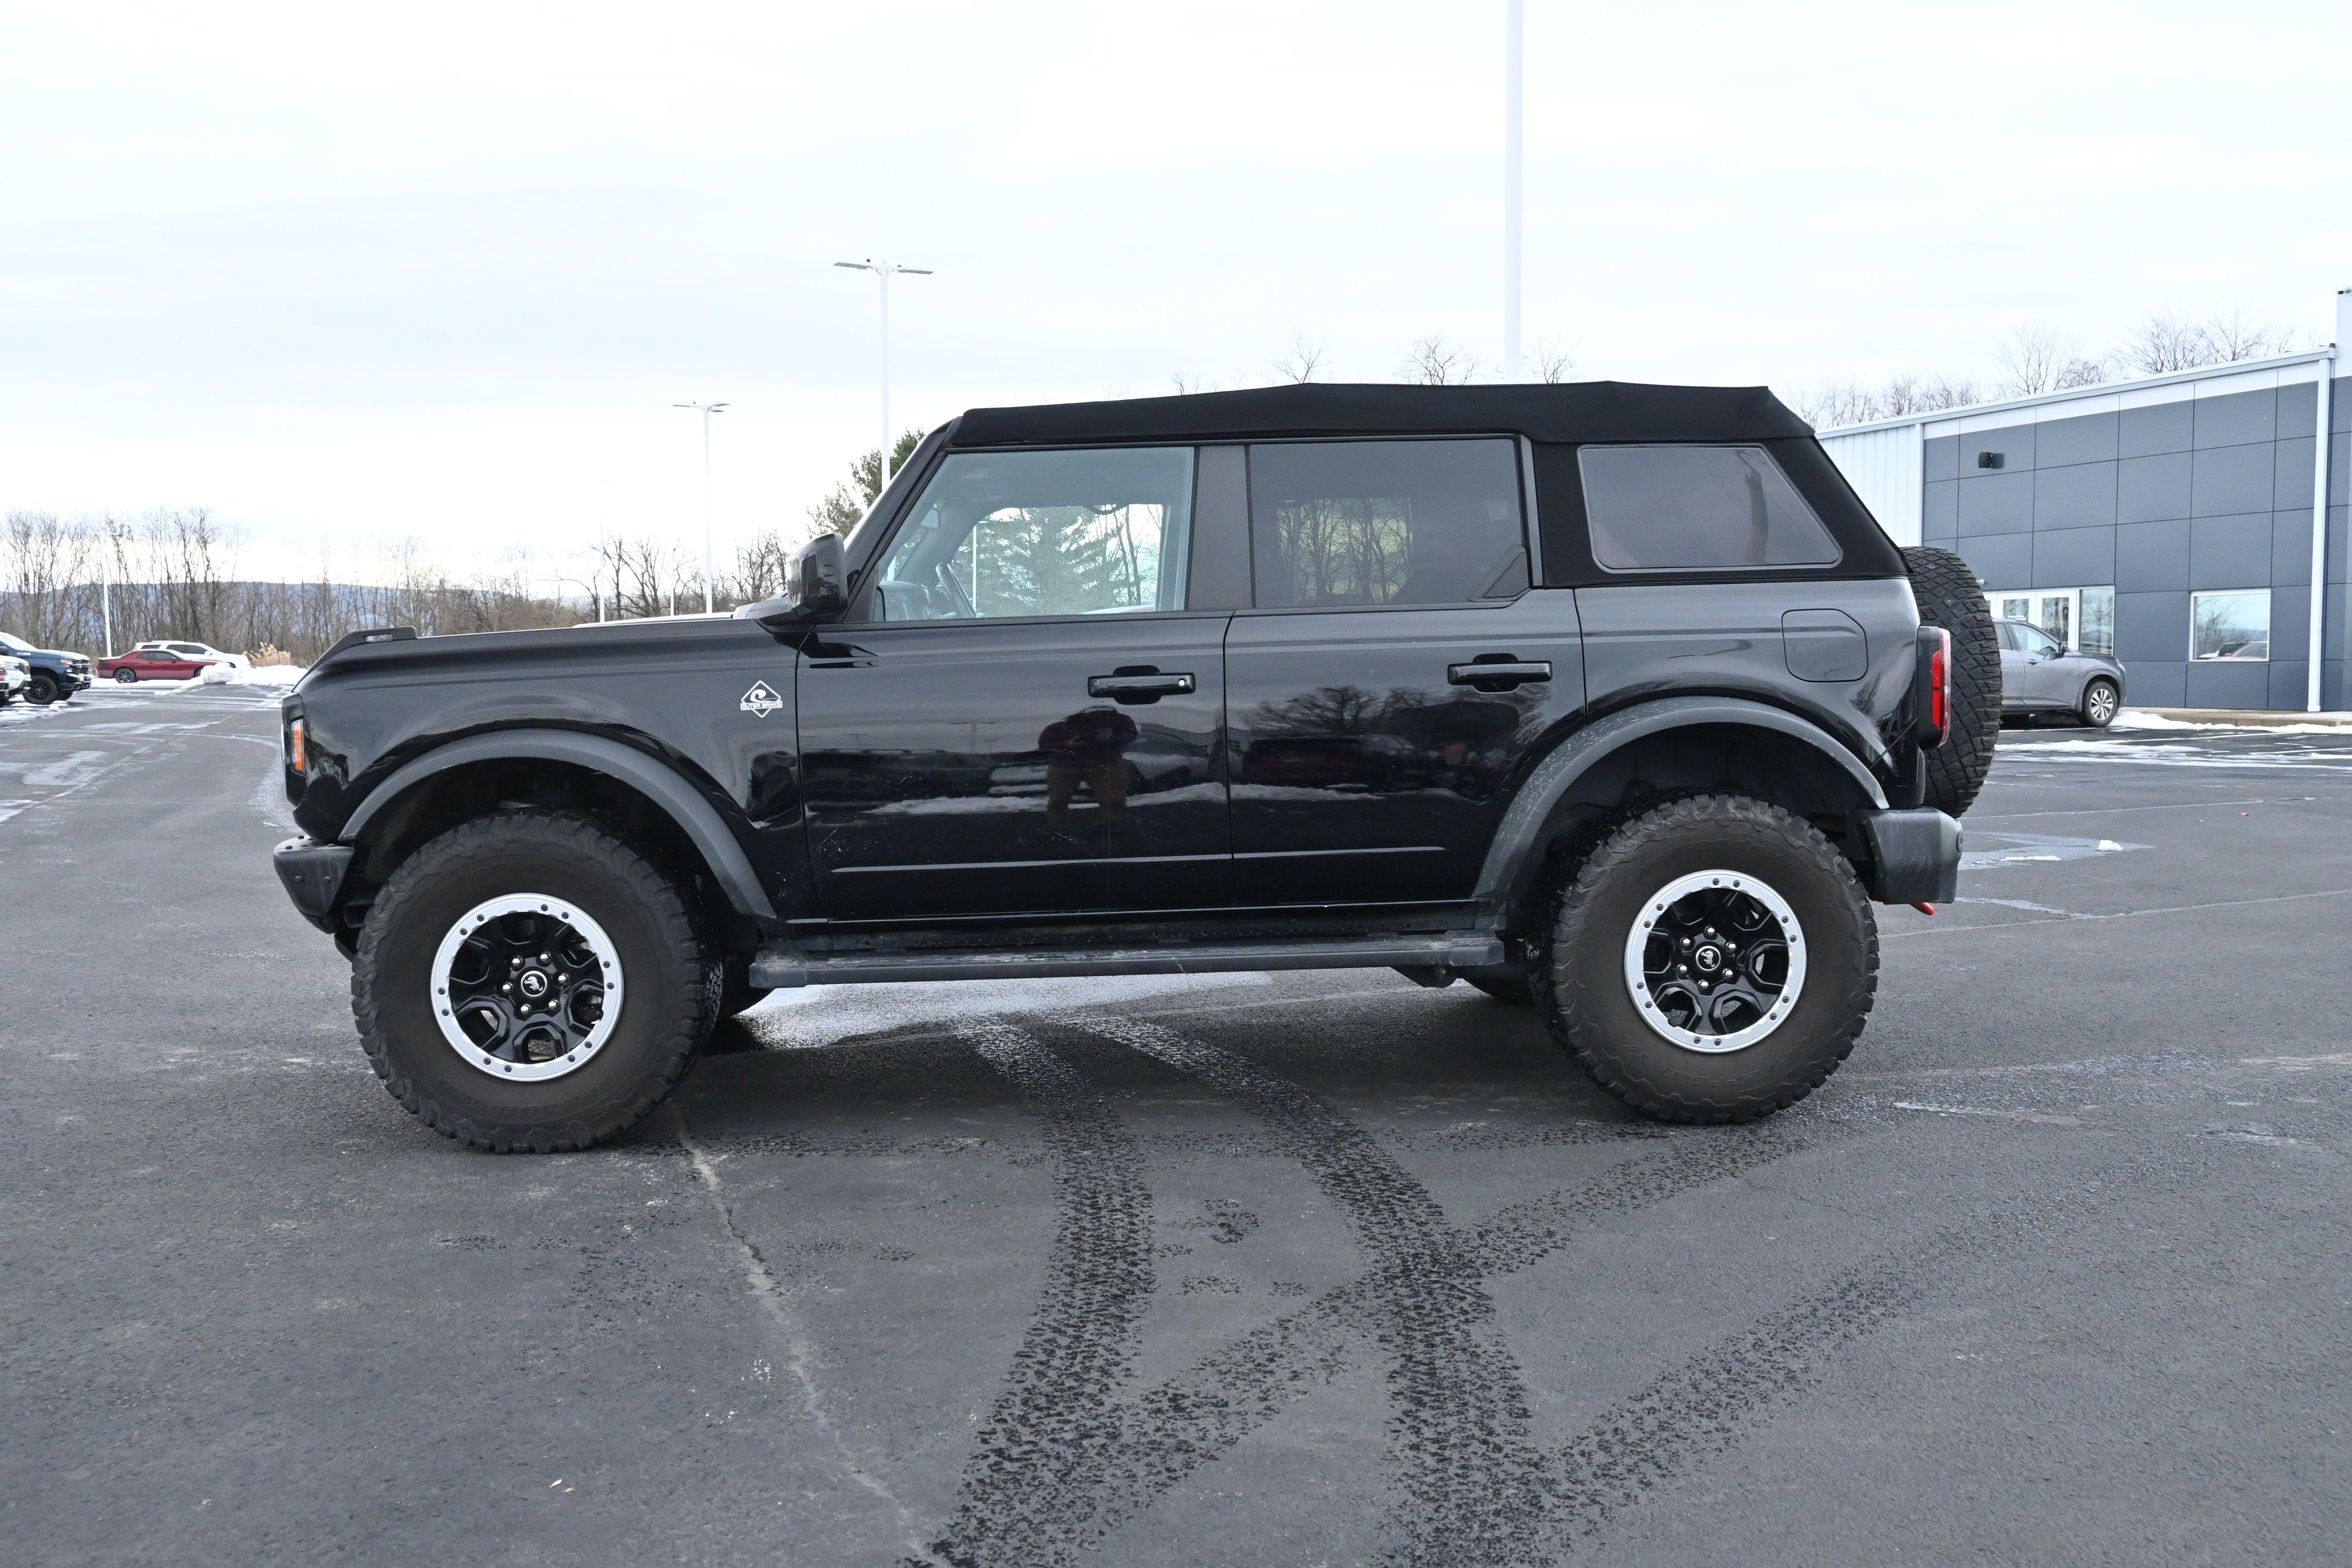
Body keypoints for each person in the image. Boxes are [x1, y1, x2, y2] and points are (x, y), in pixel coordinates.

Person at [1038, 706, 1136, 834]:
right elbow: (1045, 744)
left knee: (1114, 798)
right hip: (1066, 764)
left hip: (1106, 763)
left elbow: (1130, 735)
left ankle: (1110, 826)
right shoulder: (1060, 725)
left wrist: (1111, 739)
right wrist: (1067, 745)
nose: (1099, 718)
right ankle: (1058, 829)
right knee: (1058, 799)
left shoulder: (1119, 720)